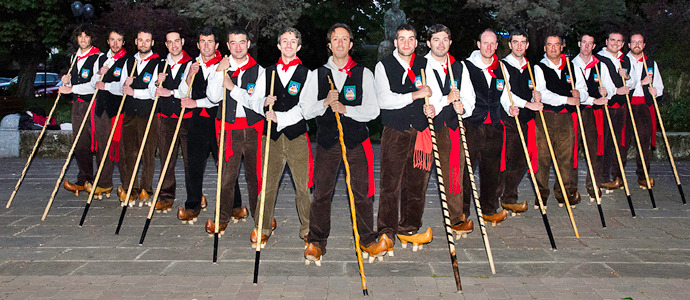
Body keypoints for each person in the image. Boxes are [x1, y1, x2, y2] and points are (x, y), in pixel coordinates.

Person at [301, 23, 384, 265]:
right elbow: (306, 110)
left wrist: (346, 109)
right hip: (328, 142)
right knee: (322, 193)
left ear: (350, 44)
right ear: (329, 45)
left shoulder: (363, 73)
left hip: (355, 141)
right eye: (335, 39)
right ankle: (316, 241)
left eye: (344, 39)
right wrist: (325, 103)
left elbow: (373, 110)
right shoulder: (316, 75)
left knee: (361, 193)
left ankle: (367, 239)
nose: (340, 43)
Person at [237, 27, 312, 248]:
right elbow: (252, 101)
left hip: (297, 135)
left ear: (298, 46)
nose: (288, 45)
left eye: (293, 42)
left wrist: (280, 116)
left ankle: (308, 228)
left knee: (302, 185)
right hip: (270, 136)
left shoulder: (308, 74)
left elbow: (306, 108)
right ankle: (263, 227)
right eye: (284, 41)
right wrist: (263, 103)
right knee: (267, 184)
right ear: (278, 45)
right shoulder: (266, 72)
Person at [375, 24, 435, 255]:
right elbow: (385, 100)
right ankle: (386, 232)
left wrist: (433, 109)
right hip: (395, 131)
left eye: (411, 38)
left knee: (416, 184)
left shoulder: (424, 64)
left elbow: (434, 94)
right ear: (395, 42)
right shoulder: (383, 66)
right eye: (402, 39)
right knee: (390, 184)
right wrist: (415, 95)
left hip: (420, 132)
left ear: (416, 42)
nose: (407, 43)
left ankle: (409, 228)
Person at [203, 27, 267, 234]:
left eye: (242, 42)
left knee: (255, 177)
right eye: (233, 43)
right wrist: (220, 71)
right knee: (226, 178)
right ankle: (221, 218)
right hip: (228, 129)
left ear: (248, 44)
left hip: (253, 129)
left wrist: (232, 87)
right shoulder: (220, 68)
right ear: (228, 46)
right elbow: (213, 97)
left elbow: (256, 103)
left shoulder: (259, 71)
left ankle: (261, 220)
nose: (238, 47)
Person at [460, 29, 520, 224]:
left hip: (494, 126)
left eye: (492, 43)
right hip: (472, 125)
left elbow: (505, 95)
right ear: (478, 44)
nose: (489, 47)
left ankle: (488, 209)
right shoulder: (466, 66)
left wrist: (510, 108)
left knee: (492, 172)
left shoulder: (501, 68)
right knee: (466, 172)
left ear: (496, 46)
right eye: (485, 43)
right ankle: (462, 212)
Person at [424, 24, 473, 238]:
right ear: (428, 43)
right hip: (424, 129)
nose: (441, 44)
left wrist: (464, 107)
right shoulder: (420, 65)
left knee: (454, 172)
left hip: (451, 126)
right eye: (436, 39)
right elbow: (427, 97)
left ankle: (455, 218)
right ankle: (408, 224)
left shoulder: (459, 66)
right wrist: (446, 99)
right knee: (418, 179)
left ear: (450, 42)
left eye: (445, 39)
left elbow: (470, 96)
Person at [176, 28, 227, 224]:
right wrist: (189, 75)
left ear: (216, 45)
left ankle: (234, 205)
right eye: (203, 41)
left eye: (210, 41)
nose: (206, 45)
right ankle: (193, 205)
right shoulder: (192, 65)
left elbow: (219, 98)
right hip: (197, 122)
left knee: (224, 165)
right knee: (193, 165)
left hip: (218, 121)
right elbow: (183, 93)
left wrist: (196, 103)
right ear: (198, 45)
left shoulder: (223, 65)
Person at [533, 34, 588, 208]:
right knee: (542, 157)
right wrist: (566, 99)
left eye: (557, 44)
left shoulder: (573, 68)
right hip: (545, 117)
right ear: (545, 48)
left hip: (566, 118)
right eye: (549, 45)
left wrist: (580, 95)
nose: (553, 48)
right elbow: (543, 94)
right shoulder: (538, 67)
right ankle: (541, 194)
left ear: (562, 47)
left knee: (565, 157)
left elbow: (583, 91)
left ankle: (563, 193)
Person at [497, 29, 543, 213]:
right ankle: (497, 199)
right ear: (509, 45)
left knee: (522, 161)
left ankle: (510, 197)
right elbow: (505, 94)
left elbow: (534, 90)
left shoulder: (530, 67)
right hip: (510, 119)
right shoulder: (502, 66)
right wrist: (527, 104)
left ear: (527, 45)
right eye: (515, 42)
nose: (519, 45)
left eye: (522, 42)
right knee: (506, 161)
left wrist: (536, 97)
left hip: (526, 120)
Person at [60, 24, 109, 198]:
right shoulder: (74, 57)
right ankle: (84, 178)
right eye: (80, 36)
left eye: (86, 36)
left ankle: (101, 181)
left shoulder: (99, 57)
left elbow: (92, 86)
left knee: (98, 142)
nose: (82, 39)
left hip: (94, 105)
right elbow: (71, 82)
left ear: (91, 38)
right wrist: (66, 81)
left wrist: (71, 88)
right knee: (80, 143)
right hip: (78, 106)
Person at [116, 29, 161, 207]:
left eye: (147, 40)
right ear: (135, 41)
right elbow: (121, 85)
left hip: (148, 113)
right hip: (129, 112)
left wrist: (133, 91)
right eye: (140, 40)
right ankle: (130, 188)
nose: (143, 43)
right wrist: (124, 85)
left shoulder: (158, 63)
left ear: (152, 43)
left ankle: (146, 189)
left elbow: (152, 92)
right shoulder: (128, 61)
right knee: (129, 152)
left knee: (148, 152)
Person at [151, 30, 194, 212]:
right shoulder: (161, 64)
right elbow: (152, 90)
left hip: (187, 119)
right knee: (166, 159)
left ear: (182, 42)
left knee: (190, 161)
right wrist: (156, 82)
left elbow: (189, 91)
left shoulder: (192, 64)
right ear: (166, 45)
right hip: (165, 118)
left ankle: (194, 197)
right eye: (170, 42)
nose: (174, 45)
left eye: (177, 41)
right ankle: (166, 196)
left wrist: (171, 92)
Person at [92, 28, 132, 200]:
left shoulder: (128, 60)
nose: (115, 43)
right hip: (101, 108)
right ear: (107, 41)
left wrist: (106, 86)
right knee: (102, 148)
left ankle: (127, 187)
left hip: (118, 109)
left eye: (119, 40)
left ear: (123, 42)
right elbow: (93, 82)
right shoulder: (101, 58)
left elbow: (123, 87)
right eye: (112, 39)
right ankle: (103, 183)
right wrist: (99, 75)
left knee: (121, 150)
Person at [596, 31, 637, 191]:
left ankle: (612, 176)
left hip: (620, 108)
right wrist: (616, 91)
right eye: (612, 40)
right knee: (603, 143)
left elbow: (633, 82)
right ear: (607, 41)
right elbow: (601, 83)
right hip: (605, 106)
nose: (615, 43)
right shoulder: (599, 59)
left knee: (616, 143)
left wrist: (626, 76)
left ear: (622, 44)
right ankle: (601, 178)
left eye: (619, 41)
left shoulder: (624, 59)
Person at [572, 34, 609, 201]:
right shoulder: (570, 65)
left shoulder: (600, 65)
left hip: (593, 113)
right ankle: (570, 189)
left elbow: (611, 87)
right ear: (579, 44)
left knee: (594, 150)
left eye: (590, 43)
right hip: (575, 111)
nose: (586, 46)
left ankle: (593, 185)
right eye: (584, 42)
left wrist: (606, 91)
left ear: (594, 46)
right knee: (571, 151)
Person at [627, 33, 663, 189]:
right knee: (622, 142)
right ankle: (616, 176)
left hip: (644, 106)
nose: (636, 45)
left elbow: (659, 87)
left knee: (643, 142)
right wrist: (641, 83)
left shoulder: (650, 63)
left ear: (644, 44)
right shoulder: (621, 62)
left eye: (639, 42)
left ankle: (643, 176)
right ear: (628, 45)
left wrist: (656, 91)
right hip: (626, 106)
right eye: (633, 42)